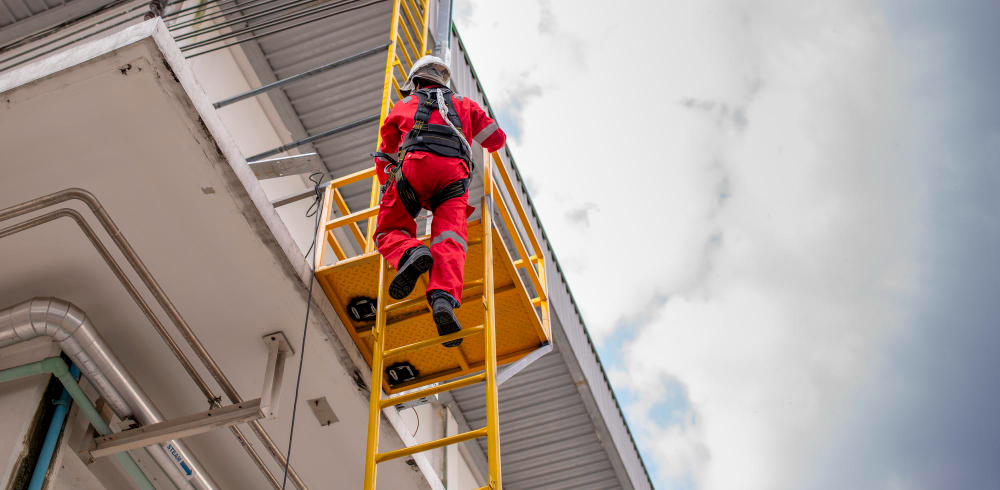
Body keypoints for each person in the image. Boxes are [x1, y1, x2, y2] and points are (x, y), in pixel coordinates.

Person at [372, 55, 506, 347]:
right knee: (450, 238)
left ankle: (410, 253)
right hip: (455, 177)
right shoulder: (466, 105)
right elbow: (496, 140)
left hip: (415, 167)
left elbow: (384, 156)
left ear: (415, 82)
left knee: (388, 232)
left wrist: (392, 191)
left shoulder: (403, 105)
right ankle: (443, 299)